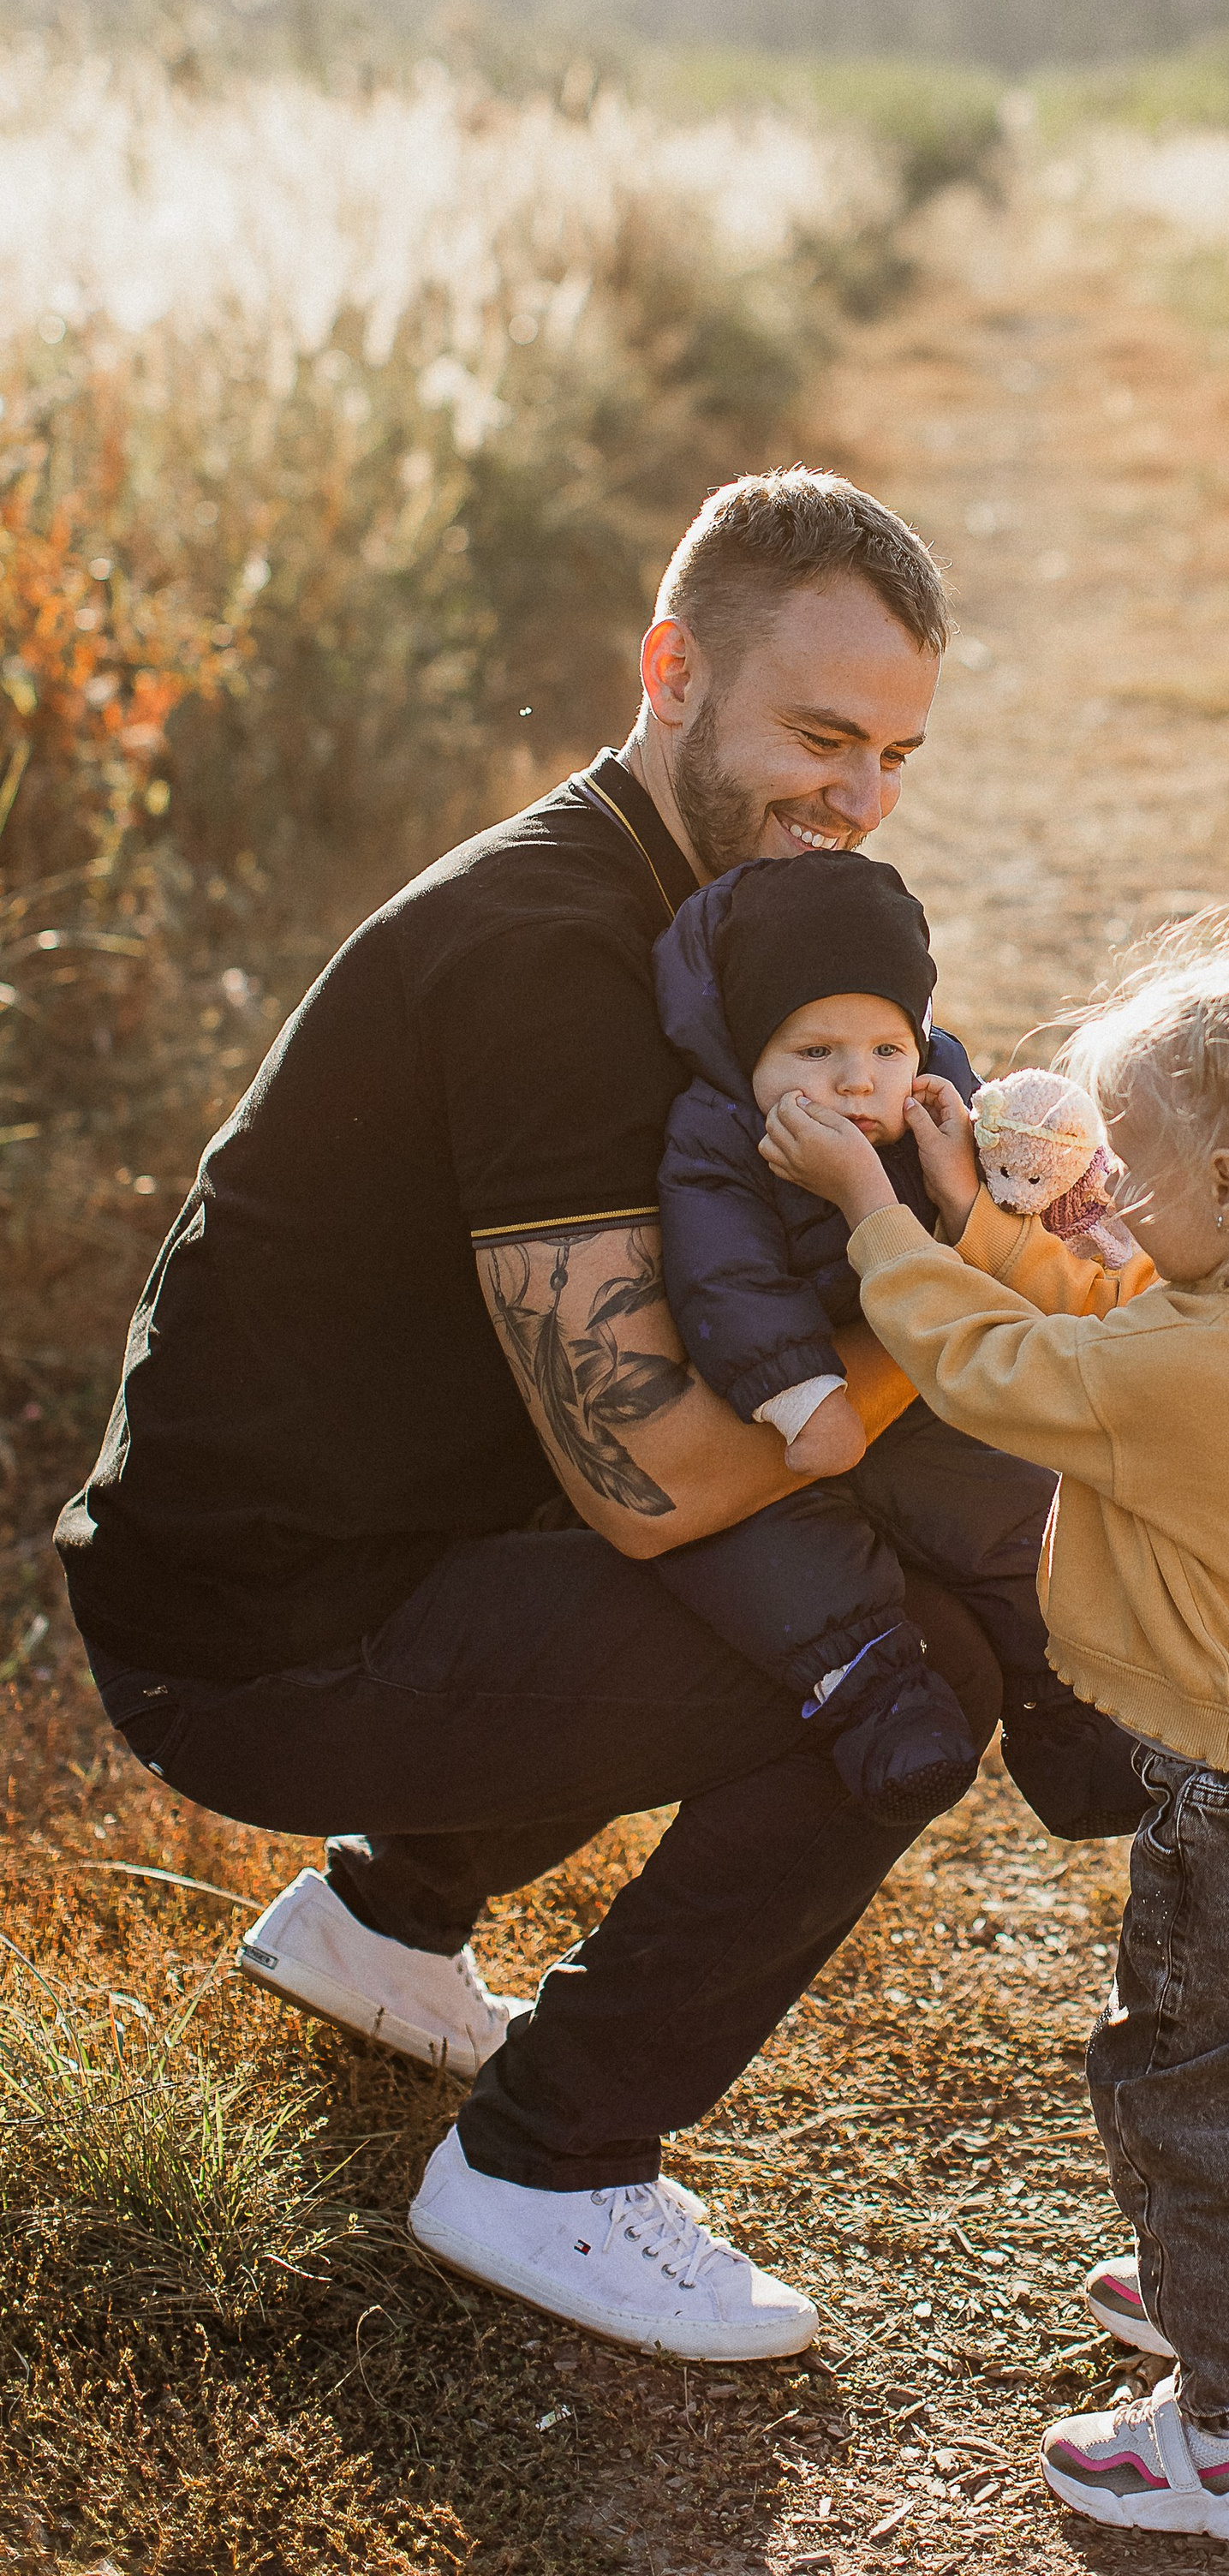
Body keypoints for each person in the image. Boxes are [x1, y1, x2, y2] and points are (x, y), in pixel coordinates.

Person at [51, 468, 1091, 2362]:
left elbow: (740, 1270)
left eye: (897, 757)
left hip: (364, 1541)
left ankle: (388, 1923)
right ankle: (551, 2159)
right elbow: (656, 1481)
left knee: (845, 1506)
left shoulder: (701, 921)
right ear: (671, 669)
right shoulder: (553, 957)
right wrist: (960, 1304)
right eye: (818, 736)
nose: (857, 800)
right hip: (259, 1640)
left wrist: (959, 1202)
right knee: (896, 1657)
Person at [765, 930, 1229, 2550]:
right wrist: (987, 1216)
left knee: (1178, 2093)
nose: (1103, 1197)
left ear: (1224, 1185)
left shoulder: (1179, 1360)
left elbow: (1005, 1371)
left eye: (1126, 1170)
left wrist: (875, 1216)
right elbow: (1108, 1302)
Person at [650, 845, 1133, 1832]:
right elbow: (724, 1277)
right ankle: (884, 1711)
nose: (855, 1084)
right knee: (789, 1571)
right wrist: (801, 1398)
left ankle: (1081, 1731)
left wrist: (992, 1180)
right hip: (778, 1418)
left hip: (916, 1394)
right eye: (814, 1055)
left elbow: (1021, 1207)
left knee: (1015, 1517)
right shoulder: (717, 1135)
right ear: (749, 1049)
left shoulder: (934, 1103)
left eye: (883, 1050)